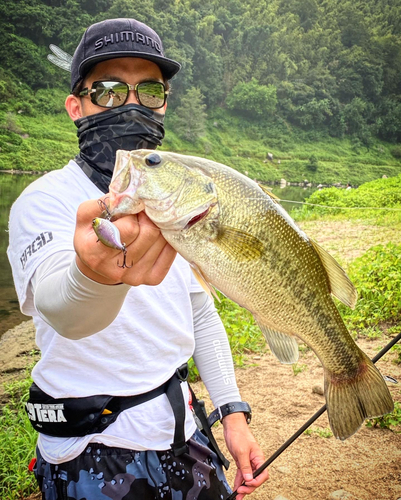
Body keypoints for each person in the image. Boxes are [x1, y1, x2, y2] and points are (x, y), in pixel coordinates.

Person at [7, 18, 269, 500]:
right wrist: (94, 277)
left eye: (148, 89)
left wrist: (232, 413)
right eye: (107, 90)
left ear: (163, 101)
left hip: (184, 432)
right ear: (75, 106)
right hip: (91, 450)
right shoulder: (45, 200)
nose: (130, 103)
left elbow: (199, 314)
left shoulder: (178, 201)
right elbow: (61, 311)